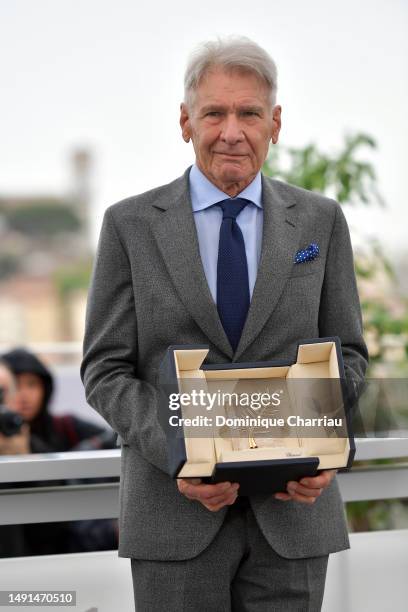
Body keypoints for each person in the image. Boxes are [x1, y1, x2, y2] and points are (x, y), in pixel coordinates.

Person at [80, 36, 368, 611]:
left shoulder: (321, 221)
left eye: (249, 113)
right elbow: (104, 369)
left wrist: (329, 448)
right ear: (185, 121)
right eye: (214, 112)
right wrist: (178, 451)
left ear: (275, 123)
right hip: (172, 514)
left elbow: (351, 356)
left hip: (295, 517)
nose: (231, 131)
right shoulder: (129, 226)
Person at [0, 347, 119, 556]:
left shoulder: (65, 426)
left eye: (32, 384)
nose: (23, 395)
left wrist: (28, 456)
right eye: (14, 386)